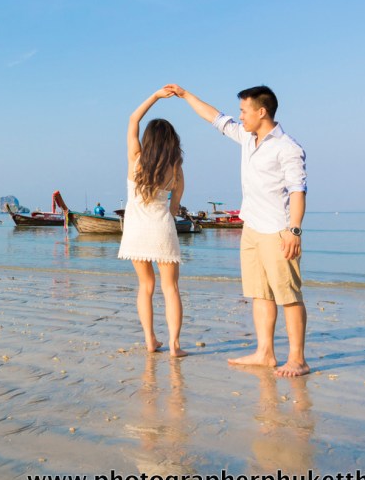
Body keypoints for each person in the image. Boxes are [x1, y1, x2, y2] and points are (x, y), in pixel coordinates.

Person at [167, 84, 309, 377]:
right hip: (251, 228)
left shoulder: (288, 148)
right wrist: (185, 95)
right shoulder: (247, 137)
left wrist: (294, 230)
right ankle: (265, 353)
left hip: (278, 231)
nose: (240, 116)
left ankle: (298, 359)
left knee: (288, 295)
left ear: (262, 111)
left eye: (244, 111)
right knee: (260, 294)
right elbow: (214, 117)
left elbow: (298, 190)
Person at [117, 86, 186, 356]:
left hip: (135, 231)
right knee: (171, 288)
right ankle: (175, 346)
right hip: (162, 229)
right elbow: (175, 206)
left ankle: (150, 340)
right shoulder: (175, 167)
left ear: (148, 139)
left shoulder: (135, 159)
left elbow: (133, 118)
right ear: (170, 142)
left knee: (145, 287)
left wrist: (156, 96)